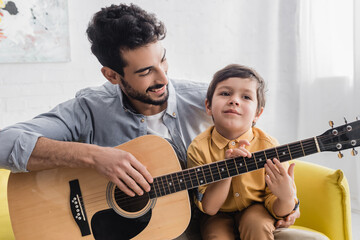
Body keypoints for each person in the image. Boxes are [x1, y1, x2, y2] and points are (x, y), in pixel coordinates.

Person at [0, 3, 320, 240]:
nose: (163, 77)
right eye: (144, 72)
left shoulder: (209, 100)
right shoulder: (89, 108)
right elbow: (5, 143)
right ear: (112, 75)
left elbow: (261, 149)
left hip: (215, 222)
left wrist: (288, 202)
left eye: (162, 59)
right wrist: (95, 156)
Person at [187, 64, 328, 240]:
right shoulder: (198, 147)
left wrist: (286, 197)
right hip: (218, 214)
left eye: (246, 97)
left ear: (257, 114)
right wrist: (226, 171)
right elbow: (210, 208)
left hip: (258, 208)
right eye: (225, 93)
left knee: (256, 224)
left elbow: (278, 210)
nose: (234, 100)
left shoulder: (269, 146)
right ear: (208, 106)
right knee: (215, 234)